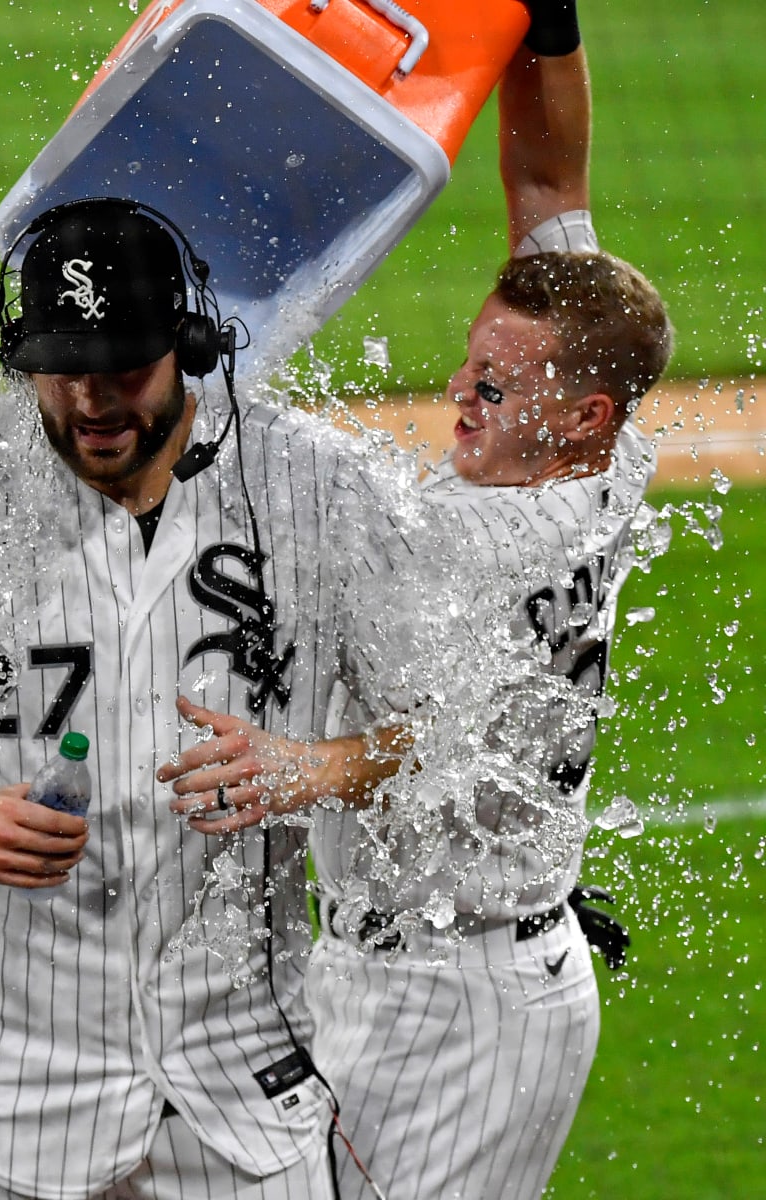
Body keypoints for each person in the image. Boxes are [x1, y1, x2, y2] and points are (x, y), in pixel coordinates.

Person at [157, 5, 675, 1199]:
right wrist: (546, 29)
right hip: (389, 968)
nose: (457, 392)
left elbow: (448, 739)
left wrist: (302, 769)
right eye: (471, 360)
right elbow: (547, 172)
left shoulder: (469, 537)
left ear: (580, 417)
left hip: (465, 1016)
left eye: (492, 385)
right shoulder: (612, 451)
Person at [0, 195, 422, 1199]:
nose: (91, 401)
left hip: (245, 1092)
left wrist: (315, 766)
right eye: (62, 370)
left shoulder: (320, 491)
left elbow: (432, 727)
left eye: (124, 366)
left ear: (191, 343)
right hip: (12, 1092)